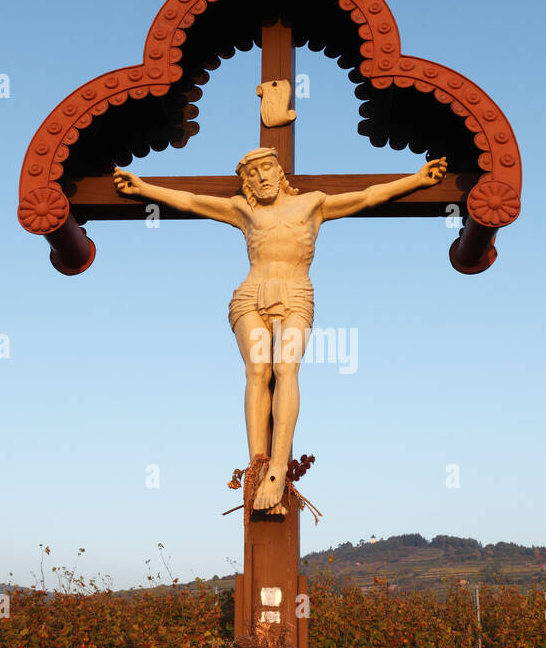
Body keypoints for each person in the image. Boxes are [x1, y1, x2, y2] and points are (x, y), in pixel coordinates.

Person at [113, 148, 446, 512]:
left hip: (296, 293)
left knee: (286, 368)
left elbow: (367, 197)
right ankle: (257, 467)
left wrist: (416, 180)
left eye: (266, 168)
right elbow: (192, 201)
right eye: (252, 174)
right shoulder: (244, 210)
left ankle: (276, 469)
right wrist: (144, 188)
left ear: (280, 171)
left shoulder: (312, 205)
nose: (261, 178)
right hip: (250, 294)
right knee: (258, 370)